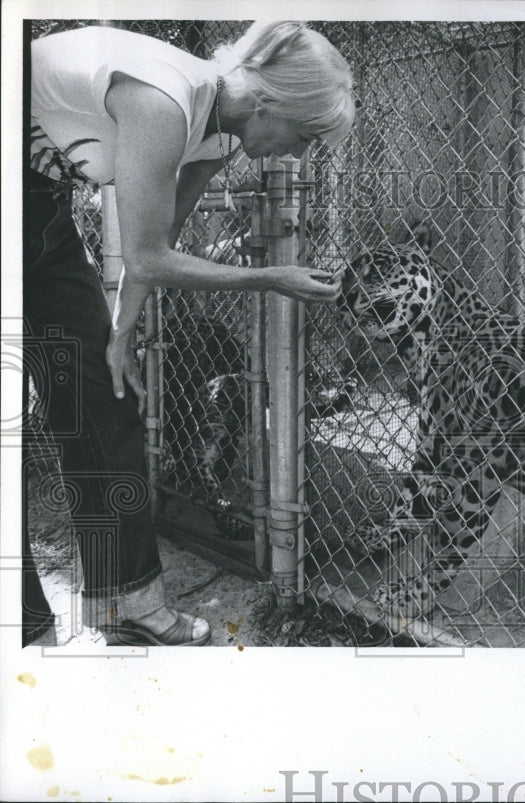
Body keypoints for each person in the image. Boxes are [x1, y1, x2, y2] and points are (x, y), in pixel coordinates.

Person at [24, 21, 354, 646]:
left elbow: (160, 241)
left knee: (106, 399)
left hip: (39, 208)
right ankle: (25, 632)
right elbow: (146, 257)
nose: (299, 155)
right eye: (305, 136)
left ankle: (127, 606)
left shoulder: (217, 134)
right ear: (270, 104)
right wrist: (272, 276)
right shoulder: (162, 98)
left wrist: (119, 333)